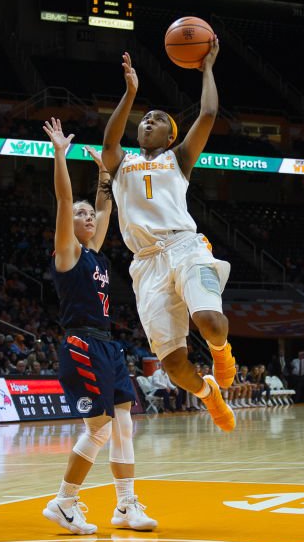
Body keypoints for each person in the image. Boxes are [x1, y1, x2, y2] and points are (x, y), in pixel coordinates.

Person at [101, 43, 237, 432]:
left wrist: (207, 67)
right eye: (144, 118)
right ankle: (209, 394)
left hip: (185, 246)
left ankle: (222, 352)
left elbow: (209, 113)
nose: (147, 121)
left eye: (157, 119)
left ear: (170, 133)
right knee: (175, 366)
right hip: (145, 262)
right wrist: (129, 93)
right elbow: (110, 143)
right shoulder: (121, 162)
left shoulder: (177, 159)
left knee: (210, 321)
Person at [40, 120, 156, 535]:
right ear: (68, 225)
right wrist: (60, 155)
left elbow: (107, 207)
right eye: (81, 214)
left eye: (88, 214)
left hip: (109, 346)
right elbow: (64, 197)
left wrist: (105, 175)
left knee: (124, 424)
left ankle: (126, 505)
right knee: (101, 429)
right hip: (81, 344)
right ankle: (63, 501)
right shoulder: (67, 252)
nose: (87, 215)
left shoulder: (95, 254)